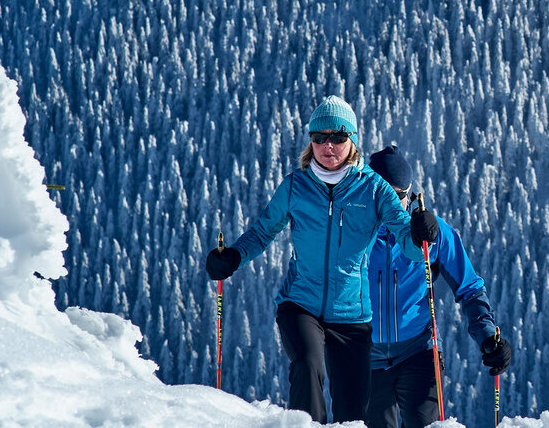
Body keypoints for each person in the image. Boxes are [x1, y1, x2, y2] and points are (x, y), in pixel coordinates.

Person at [203, 96, 437, 423]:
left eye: (338, 137)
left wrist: (423, 233)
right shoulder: (296, 187)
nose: (329, 145)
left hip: (353, 316)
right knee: (306, 364)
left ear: (352, 140)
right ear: (310, 142)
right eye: (319, 138)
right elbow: (262, 232)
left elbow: (411, 246)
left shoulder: (374, 190)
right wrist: (233, 257)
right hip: (301, 304)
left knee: (352, 413)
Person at [364, 145, 514, 428]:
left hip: (418, 352)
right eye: (382, 195)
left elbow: (469, 287)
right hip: (365, 359)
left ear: (410, 195)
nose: (392, 205)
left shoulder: (431, 234)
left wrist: (487, 337)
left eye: (399, 196)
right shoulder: (352, 233)